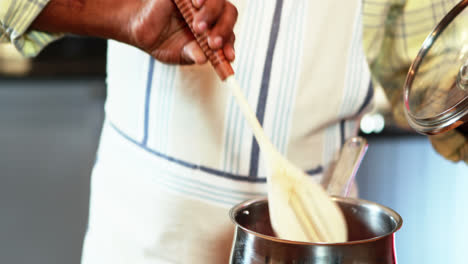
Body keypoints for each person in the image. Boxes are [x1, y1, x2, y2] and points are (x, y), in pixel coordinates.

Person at [1, 0, 467, 263]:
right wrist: (125, 13)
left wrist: (456, 99)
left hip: (318, 236)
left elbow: (431, 66)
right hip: (144, 238)